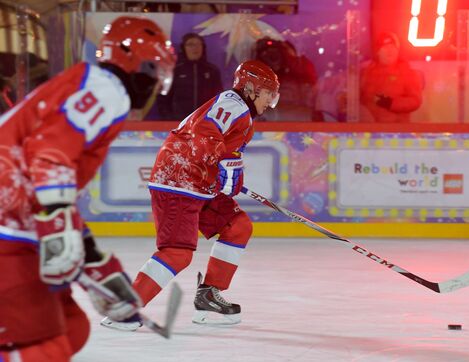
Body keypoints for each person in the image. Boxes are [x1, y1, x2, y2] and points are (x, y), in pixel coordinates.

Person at [0, 16, 175, 361]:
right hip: (8, 230)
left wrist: (98, 268)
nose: (155, 83)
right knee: (41, 348)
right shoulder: (107, 88)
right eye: (154, 69)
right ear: (135, 61)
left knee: (71, 327)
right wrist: (58, 224)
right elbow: (48, 155)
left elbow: (45, 186)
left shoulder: (90, 85)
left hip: (15, 222)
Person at [101, 60, 279, 330]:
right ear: (252, 88)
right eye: (268, 93)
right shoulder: (233, 104)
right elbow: (204, 134)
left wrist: (225, 167)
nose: (270, 101)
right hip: (178, 179)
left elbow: (214, 148)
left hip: (197, 180)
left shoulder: (241, 112)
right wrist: (227, 162)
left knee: (238, 226)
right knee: (177, 253)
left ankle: (208, 294)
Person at [359, 31, 423, 123]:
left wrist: (390, 103)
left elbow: (415, 101)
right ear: (378, 52)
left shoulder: (408, 73)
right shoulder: (366, 73)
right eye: (385, 47)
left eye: (393, 47)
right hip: (369, 132)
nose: (389, 50)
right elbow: (357, 98)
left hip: (396, 132)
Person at [156, 33, 223, 120]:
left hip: (205, 123)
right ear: (183, 48)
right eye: (190, 44)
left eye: (198, 44)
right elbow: (163, 99)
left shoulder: (212, 70)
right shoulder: (175, 70)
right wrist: (169, 118)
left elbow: (219, 97)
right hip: (179, 123)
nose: (195, 48)